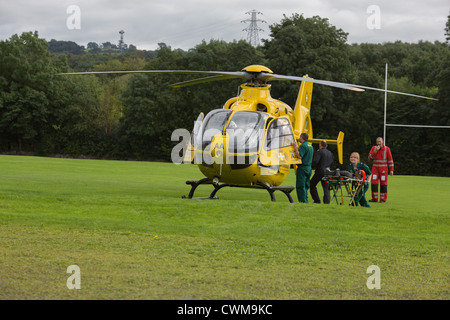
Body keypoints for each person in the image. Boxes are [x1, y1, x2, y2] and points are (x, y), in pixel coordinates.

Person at [368, 137, 394, 202]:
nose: (378, 143)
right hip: (375, 169)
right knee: (374, 183)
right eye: (377, 142)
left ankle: (383, 199)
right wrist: (375, 151)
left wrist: (391, 170)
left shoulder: (387, 149)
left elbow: (390, 160)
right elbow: (370, 158)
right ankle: (374, 199)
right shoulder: (373, 148)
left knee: (383, 184)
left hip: (383, 170)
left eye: (380, 141)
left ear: (382, 142)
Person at [292, 132, 314, 203]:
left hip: (302, 168)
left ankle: (302, 201)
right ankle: (306, 199)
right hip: (309, 168)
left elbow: (300, 156)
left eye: (300, 137)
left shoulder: (303, 146)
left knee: (300, 185)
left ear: (302, 137)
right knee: (306, 185)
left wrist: (295, 148)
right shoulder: (310, 146)